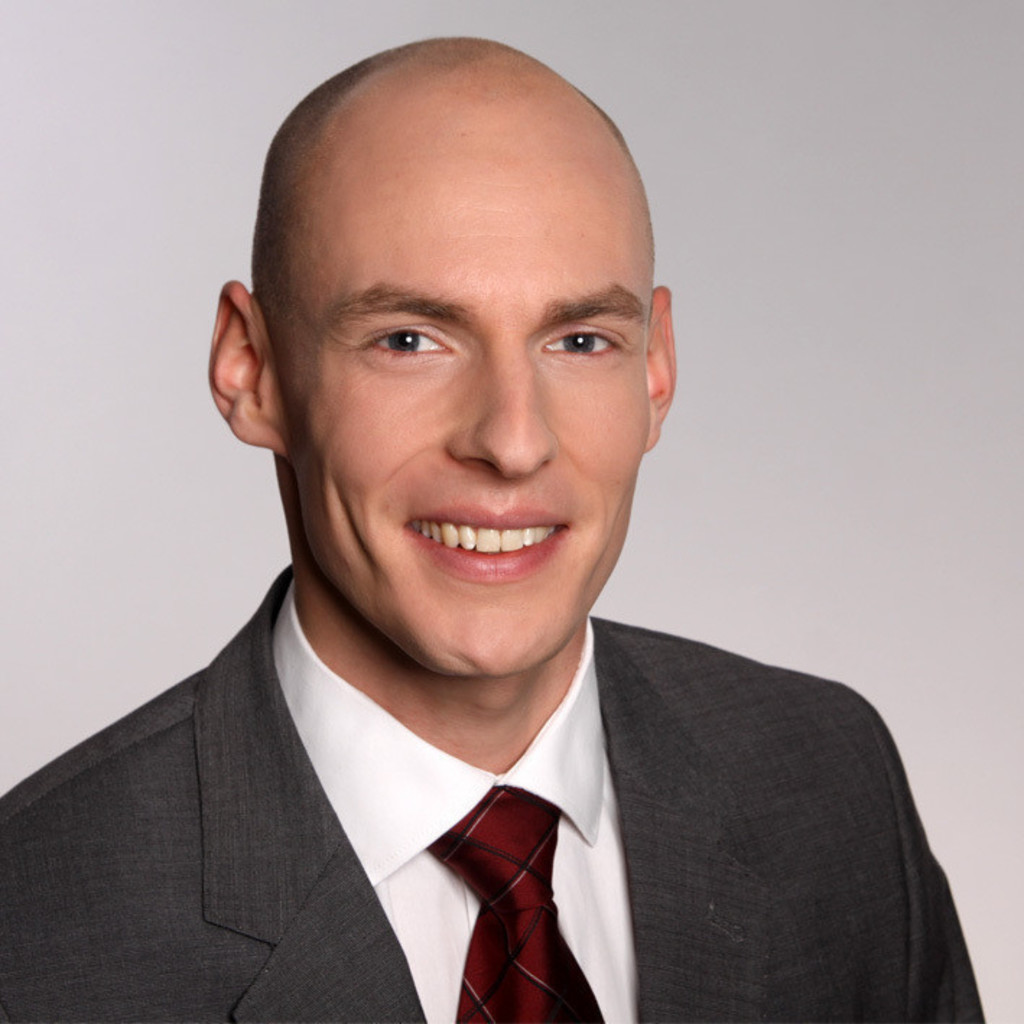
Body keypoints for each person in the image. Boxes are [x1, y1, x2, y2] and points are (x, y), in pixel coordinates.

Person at [0, 37, 982, 1023]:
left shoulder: (831, 784)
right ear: (251, 370)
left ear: (655, 373)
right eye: (409, 340)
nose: (513, 442)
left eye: (580, 340)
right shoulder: (33, 930)